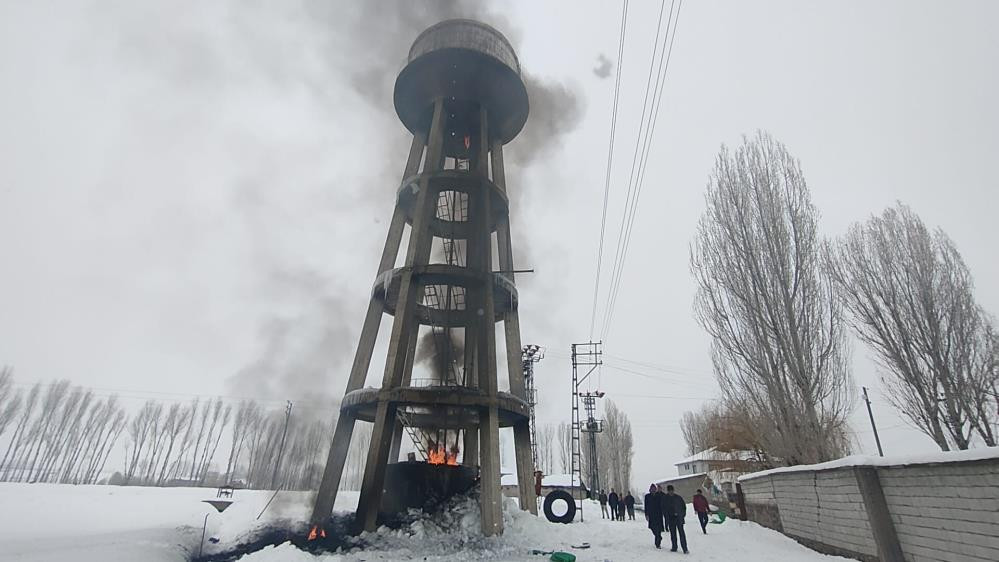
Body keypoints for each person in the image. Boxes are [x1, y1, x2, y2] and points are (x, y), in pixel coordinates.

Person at [663, 485, 688, 553]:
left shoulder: (678, 498)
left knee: (682, 534)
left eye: (672, 490)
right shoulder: (665, 498)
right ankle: (674, 547)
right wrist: (667, 517)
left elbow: (683, 507)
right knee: (673, 534)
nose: (671, 492)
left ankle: (685, 548)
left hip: (679, 518)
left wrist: (682, 515)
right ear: (668, 491)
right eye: (669, 491)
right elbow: (664, 509)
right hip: (671, 519)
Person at [644, 484, 666, 548]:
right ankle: (658, 537)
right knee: (653, 528)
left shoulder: (659, 496)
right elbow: (646, 506)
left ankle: (658, 543)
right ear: (650, 490)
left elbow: (663, 501)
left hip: (658, 514)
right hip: (651, 515)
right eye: (652, 489)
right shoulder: (647, 496)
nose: (653, 490)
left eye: (654, 489)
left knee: (658, 529)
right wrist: (646, 514)